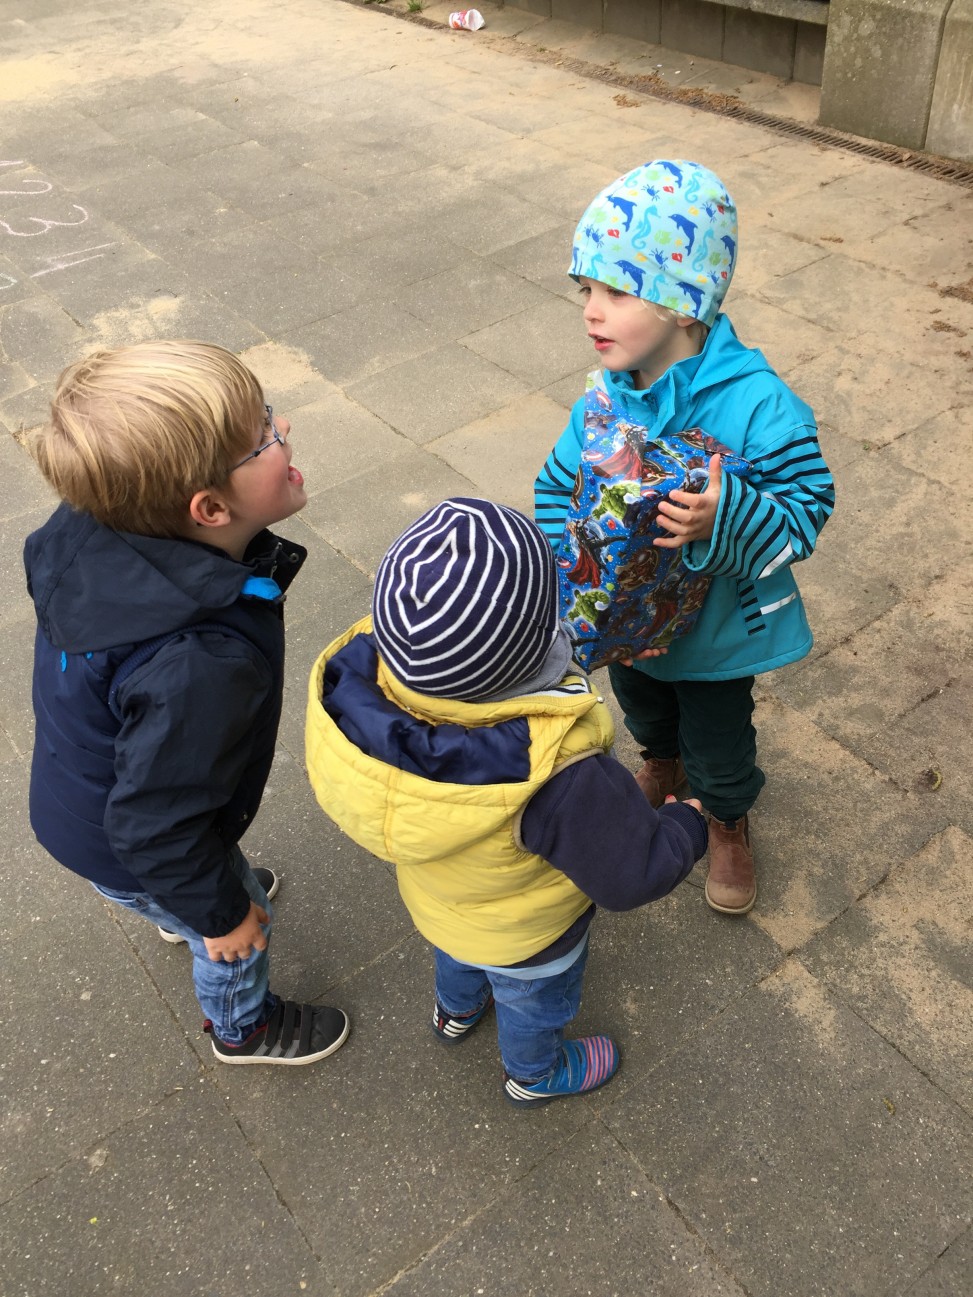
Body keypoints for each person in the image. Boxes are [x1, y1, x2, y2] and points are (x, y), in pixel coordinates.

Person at [305, 497, 707, 1107]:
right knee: (533, 1005)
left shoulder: (364, 691)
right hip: (529, 938)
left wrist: (595, 646)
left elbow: (495, 661)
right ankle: (534, 1073)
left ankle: (456, 1011)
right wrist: (684, 825)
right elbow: (632, 874)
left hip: (441, 905)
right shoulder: (556, 773)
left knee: (459, 958)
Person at [25, 340, 349, 1066]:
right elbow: (155, 825)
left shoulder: (92, 528)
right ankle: (243, 1026)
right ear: (208, 508)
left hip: (90, 805)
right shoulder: (200, 663)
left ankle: (183, 898)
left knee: (192, 868)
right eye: (263, 434)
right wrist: (223, 913)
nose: (285, 426)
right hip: (134, 840)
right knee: (238, 932)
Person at [534, 159, 835, 916]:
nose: (591, 312)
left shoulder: (759, 404)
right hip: (624, 625)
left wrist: (723, 515)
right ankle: (661, 763)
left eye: (617, 291)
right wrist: (562, 561)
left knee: (720, 736)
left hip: (718, 633)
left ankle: (725, 813)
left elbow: (806, 508)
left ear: (684, 302)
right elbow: (556, 484)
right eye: (585, 290)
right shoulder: (603, 399)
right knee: (642, 702)